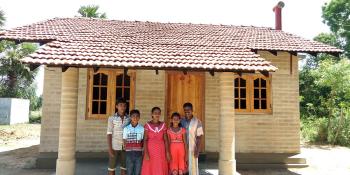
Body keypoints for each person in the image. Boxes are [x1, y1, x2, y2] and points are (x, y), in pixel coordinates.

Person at [141, 107, 171, 175]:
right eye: (155, 113)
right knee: (150, 167)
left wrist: (167, 152)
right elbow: (145, 139)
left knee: (160, 167)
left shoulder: (163, 125)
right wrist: (146, 152)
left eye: (158, 113)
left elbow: (166, 140)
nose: (157, 115)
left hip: (161, 151)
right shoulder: (147, 125)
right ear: (152, 114)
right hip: (150, 151)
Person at [107, 98, 131, 175]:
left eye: (124, 106)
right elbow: (109, 133)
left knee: (124, 167)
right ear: (116, 106)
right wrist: (110, 148)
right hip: (114, 146)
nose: (122, 107)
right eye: (120, 105)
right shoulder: (111, 118)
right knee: (112, 168)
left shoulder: (129, 119)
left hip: (125, 147)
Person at [180, 103, 204, 175]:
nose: (187, 112)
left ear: (192, 110)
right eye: (185, 110)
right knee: (183, 167)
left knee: (192, 168)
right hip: (182, 149)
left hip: (192, 149)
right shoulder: (181, 121)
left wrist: (197, 150)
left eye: (189, 110)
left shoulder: (197, 122)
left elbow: (199, 137)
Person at [123, 109, 144, 175]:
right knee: (129, 171)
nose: (135, 118)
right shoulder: (126, 128)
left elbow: (143, 140)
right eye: (133, 116)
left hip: (138, 154)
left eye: (137, 116)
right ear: (130, 117)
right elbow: (124, 139)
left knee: (137, 171)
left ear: (139, 117)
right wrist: (125, 147)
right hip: (129, 154)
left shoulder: (142, 128)